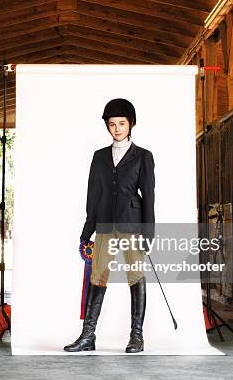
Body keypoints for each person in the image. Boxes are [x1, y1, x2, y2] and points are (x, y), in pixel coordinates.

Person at [64, 98, 155, 353]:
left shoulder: (143, 156)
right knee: (98, 278)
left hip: (132, 225)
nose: (117, 128)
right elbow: (93, 195)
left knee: (135, 278)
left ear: (131, 124)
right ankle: (88, 335)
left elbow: (149, 196)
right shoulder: (99, 156)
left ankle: (136, 336)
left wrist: (149, 233)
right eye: (112, 124)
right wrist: (86, 230)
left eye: (122, 123)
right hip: (104, 225)